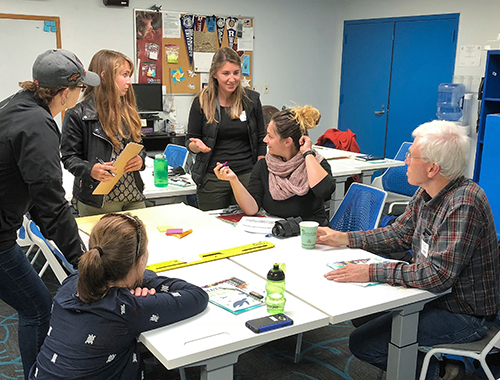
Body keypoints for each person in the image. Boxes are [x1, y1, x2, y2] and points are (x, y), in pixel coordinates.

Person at [317, 120, 499, 380]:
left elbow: (438, 276)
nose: (404, 162)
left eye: (411, 156)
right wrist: (345, 238)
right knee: (363, 317)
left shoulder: (464, 203)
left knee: (363, 343)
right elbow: (400, 233)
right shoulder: (428, 191)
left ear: (432, 167)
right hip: (433, 297)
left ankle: (448, 374)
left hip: (464, 313)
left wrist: (371, 272)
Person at [0, 48, 100, 379]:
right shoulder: (38, 123)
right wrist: (82, 260)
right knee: (39, 308)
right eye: (81, 88)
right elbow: (51, 201)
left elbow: (37, 197)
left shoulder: (17, 105)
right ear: (64, 91)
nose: (81, 94)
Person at [28, 213, 209, 379]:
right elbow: (197, 296)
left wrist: (137, 278)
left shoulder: (72, 281)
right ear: (140, 262)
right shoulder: (128, 306)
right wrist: (144, 280)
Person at [214, 105, 335, 226]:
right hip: (279, 231)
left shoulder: (315, 163)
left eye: (270, 136)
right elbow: (252, 209)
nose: (265, 140)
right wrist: (233, 180)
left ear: (287, 142)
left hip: (311, 235)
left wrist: (308, 153)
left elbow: (324, 191)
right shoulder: (264, 166)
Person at [61, 49, 147, 216]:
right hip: (98, 199)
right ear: (105, 76)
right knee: (105, 242)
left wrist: (140, 160)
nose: (129, 82)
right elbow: (69, 158)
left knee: (140, 239)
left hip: (132, 194)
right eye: (124, 75)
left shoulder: (128, 111)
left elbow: (140, 147)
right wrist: (90, 170)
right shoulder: (78, 113)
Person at [186, 47, 266, 211]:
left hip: (246, 174)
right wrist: (196, 146)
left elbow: (261, 138)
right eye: (226, 73)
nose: (232, 79)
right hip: (213, 176)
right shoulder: (201, 101)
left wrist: (260, 169)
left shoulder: (251, 100)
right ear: (215, 74)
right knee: (213, 226)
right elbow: (190, 139)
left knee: (248, 223)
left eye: (236, 73)